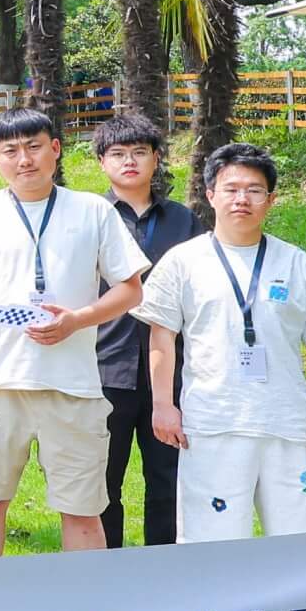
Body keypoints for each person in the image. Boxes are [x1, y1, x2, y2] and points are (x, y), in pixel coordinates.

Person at [0, 108, 149, 559]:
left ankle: (84, 600)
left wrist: (77, 319)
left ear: (55, 149)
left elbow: (131, 290)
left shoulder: (92, 210)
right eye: (10, 150)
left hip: (73, 387)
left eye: (34, 147)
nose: (24, 159)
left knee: (83, 511)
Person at [141, 142, 306, 541]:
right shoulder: (183, 261)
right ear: (210, 195)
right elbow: (161, 336)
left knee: (303, 539)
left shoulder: (295, 262)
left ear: (270, 200)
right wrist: (163, 405)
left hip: (287, 423)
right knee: (211, 541)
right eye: (231, 189)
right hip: (212, 422)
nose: (242, 199)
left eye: (254, 190)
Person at [90, 115, 199, 547]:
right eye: (118, 154)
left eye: (140, 152)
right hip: (104, 366)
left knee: (168, 479)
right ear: (102, 162)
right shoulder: (90, 218)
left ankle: (164, 566)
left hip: (172, 370)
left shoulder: (184, 221)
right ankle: (107, 568)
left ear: (156, 158)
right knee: (102, 482)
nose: (129, 161)